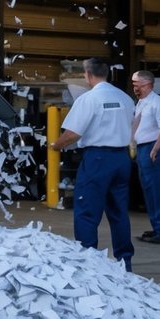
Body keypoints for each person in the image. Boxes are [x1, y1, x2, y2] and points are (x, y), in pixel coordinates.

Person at [48, 57, 135, 272]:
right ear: (107, 73)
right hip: (122, 158)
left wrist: (56, 145)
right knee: (119, 213)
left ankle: (88, 264)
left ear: (87, 75)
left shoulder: (89, 99)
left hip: (98, 159)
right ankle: (125, 263)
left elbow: (73, 133)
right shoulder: (125, 98)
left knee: (87, 211)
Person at [131, 69, 160, 244]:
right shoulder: (142, 102)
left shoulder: (159, 103)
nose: (134, 87)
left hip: (156, 147)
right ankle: (158, 228)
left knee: (159, 189)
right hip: (144, 148)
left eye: (136, 84)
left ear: (147, 84)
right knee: (149, 190)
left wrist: (156, 149)